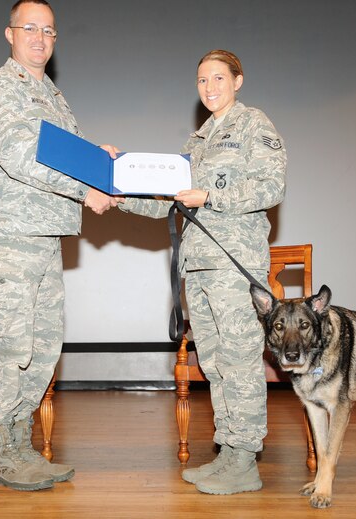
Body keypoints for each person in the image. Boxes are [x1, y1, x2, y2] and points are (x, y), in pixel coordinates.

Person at [118, 49, 287, 495]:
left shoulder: (253, 124)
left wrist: (210, 195)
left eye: (218, 78)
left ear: (238, 80)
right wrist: (115, 186)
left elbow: (272, 186)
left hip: (235, 266)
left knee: (240, 361)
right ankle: (227, 452)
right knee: (214, 363)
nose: (210, 88)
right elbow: (168, 199)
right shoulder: (198, 142)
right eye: (202, 81)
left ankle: (246, 460)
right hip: (200, 267)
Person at [0, 0, 119, 491]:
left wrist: (102, 160)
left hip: (47, 237)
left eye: (49, 31)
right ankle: (3, 452)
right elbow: (22, 158)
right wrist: (87, 188)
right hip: (10, 236)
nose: (39, 37)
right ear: (9, 34)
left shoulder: (53, 96)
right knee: (11, 346)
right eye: (30, 28)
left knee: (43, 346)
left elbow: (69, 153)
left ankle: (22, 443)